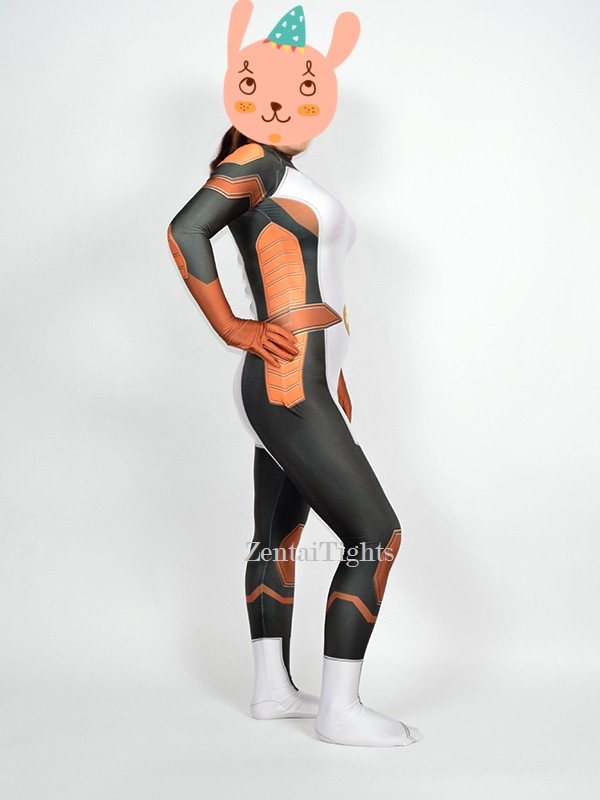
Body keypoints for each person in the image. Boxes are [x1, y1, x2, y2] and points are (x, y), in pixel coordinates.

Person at [166, 1, 424, 747]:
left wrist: (336, 381)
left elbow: (320, 289)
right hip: (285, 384)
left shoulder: (281, 169)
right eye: (270, 88)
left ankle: (272, 691)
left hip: (305, 383)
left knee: (279, 533)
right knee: (375, 533)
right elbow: (186, 229)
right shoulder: (252, 162)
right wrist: (231, 327)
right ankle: (341, 711)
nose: (286, 104)